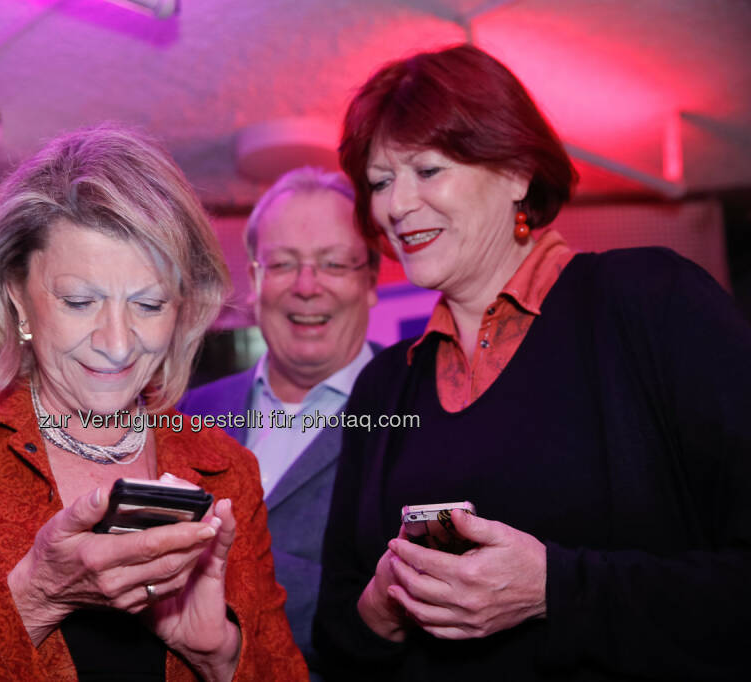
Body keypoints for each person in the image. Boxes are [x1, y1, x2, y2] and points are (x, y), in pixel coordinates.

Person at [313, 44, 751, 681]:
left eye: (427, 170)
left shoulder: (653, 303)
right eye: (380, 181)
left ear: (517, 169)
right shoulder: (381, 390)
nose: (396, 205)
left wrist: (556, 591)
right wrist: (384, 606)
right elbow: (336, 637)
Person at [0, 125, 307, 681]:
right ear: (16, 294)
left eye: (148, 304)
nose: (117, 343)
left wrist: (220, 657)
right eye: (79, 301)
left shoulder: (225, 469)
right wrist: (33, 600)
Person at [178, 167, 380, 678]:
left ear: (371, 281)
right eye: (283, 264)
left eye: (333, 263)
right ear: (255, 281)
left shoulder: (418, 421)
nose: (307, 288)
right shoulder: (186, 416)